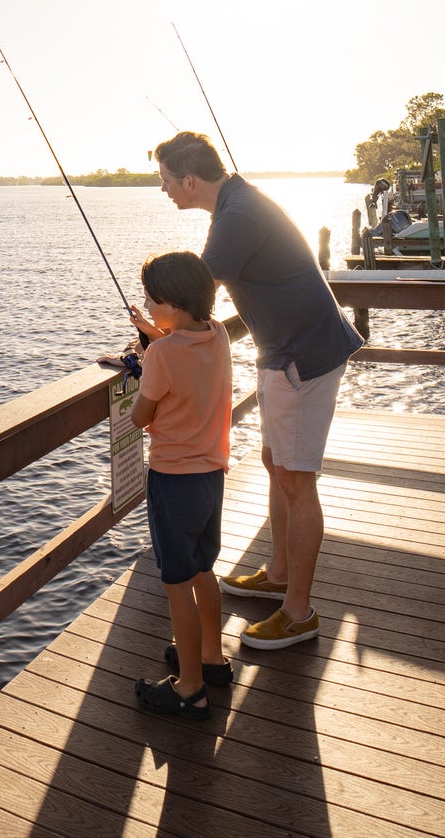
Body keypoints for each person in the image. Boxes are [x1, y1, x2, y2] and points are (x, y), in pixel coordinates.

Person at [151, 131, 364, 651]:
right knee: (277, 464)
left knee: (297, 480)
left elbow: (190, 297)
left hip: (300, 359)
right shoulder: (236, 204)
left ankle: (299, 613)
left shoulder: (236, 218)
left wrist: (150, 341)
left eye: (165, 182)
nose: (164, 191)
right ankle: (280, 573)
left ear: (189, 179)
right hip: (285, 354)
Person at [125, 250, 233, 721]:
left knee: (175, 584)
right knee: (204, 568)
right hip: (211, 476)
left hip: (172, 481)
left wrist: (149, 354)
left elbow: (140, 416)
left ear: (172, 301)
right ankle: (212, 658)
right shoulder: (219, 333)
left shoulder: (163, 355)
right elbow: (181, 348)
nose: (147, 307)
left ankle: (190, 689)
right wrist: (154, 337)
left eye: (152, 301)